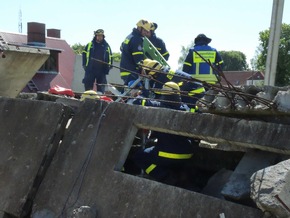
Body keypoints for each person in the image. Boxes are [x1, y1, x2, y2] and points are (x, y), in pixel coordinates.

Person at [131, 82, 196, 183]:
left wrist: (140, 93)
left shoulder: (159, 106)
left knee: (139, 157)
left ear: (164, 94)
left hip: (166, 154)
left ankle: (164, 177)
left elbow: (138, 102)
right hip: (188, 154)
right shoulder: (186, 108)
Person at [140, 58, 205, 112]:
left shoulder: (160, 81)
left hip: (193, 95)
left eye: (145, 73)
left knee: (169, 105)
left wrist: (142, 98)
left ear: (151, 72)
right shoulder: (164, 72)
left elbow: (158, 98)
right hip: (197, 91)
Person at [119, 19, 152, 85]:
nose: (146, 33)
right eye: (145, 30)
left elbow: (121, 48)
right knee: (138, 92)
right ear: (139, 28)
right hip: (132, 72)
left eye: (147, 31)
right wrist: (144, 69)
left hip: (125, 70)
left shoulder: (129, 36)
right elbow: (138, 59)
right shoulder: (137, 39)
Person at [82, 29, 113, 93]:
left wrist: (109, 67)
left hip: (102, 70)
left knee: (101, 87)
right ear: (95, 36)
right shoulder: (89, 45)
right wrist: (84, 65)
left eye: (101, 36)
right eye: (98, 36)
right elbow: (84, 55)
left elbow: (110, 57)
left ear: (103, 36)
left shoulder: (107, 46)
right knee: (88, 86)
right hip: (90, 69)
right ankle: (88, 98)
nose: (99, 37)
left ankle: (100, 100)